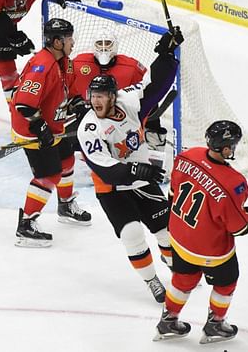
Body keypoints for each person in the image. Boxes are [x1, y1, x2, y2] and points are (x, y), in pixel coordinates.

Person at [76, 27, 184, 302]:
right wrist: (137, 169)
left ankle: (175, 265)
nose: (96, 101)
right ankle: (152, 281)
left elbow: (157, 86)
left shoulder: (129, 101)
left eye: (101, 97)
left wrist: (166, 54)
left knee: (167, 233)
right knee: (133, 233)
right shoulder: (88, 128)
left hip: (143, 181)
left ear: (113, 96)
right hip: (112, 190)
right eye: (93, 97)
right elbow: (106, 170)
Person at [154, 120, 248, 344]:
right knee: (226, 283)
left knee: (183, 278)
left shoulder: (187, 156)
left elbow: (172, 194)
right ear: (226, 147)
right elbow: (238, 228)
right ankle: (215, 325)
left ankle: (168, 321)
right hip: (210, 250)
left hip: (180, 237)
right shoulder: (233, 183)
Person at [11, 18, 92, 248]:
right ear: (57, 42)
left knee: (67, 160)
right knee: (49, 175)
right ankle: (26, 224)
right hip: (31, 129)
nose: (72, 42)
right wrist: (40, 127)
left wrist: (78, 105)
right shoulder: (41, 65)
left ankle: (65, 205)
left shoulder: (65, 62)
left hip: (54, 125)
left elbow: (71, 90)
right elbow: (24, 105)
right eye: (68, 39)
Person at [70, 27, 167, 151]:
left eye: (107, 43)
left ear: (115, 45)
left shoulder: (131, 67)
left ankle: (154, 137)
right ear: (94, 46)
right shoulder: (79, 63)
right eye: (100, 43)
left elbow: (148, 91)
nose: (104, 48)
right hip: (89, 117)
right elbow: (65, 85)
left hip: (120, 119)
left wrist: (152, 123)